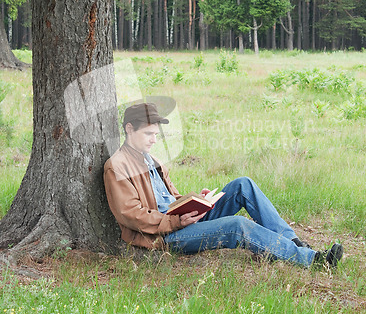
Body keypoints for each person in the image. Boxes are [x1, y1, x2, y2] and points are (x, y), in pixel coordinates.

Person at [104, 102, 344, 268]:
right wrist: (176, 221)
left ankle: (290, 242)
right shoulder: (117, 166)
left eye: (156, 134)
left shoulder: (151, 159)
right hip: (164, 235)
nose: (154, 140)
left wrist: (196, 201)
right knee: (237, 226)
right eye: (148, 134)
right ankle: (312, 259)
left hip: (182, 220)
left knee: (243, 185)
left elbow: (171, 197)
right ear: (129, 129)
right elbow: (131, 215)